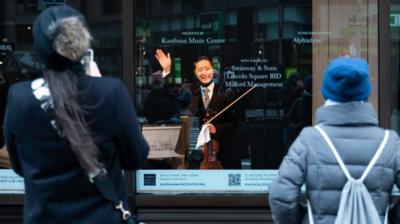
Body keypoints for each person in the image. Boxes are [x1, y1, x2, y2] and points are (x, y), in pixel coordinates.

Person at [3, 5, 149, 223]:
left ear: (40, 49)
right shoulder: (110, 92)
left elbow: (19, 166)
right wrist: (97, 82)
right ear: (82, 44)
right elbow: (135, 158)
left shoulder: (20, 97)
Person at [269, 57, 400, 223]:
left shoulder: (309, 140)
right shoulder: (390, 142)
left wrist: (306, 219)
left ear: (327, 91)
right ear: (366, 92)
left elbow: (281, 197)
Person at [155, 49, 235, 168]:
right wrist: (166, 71)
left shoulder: (224, 92)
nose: (204, 73)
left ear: (213, 70)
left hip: (219, 153)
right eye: (200, 70)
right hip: (194, 151)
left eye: (207, 69)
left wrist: (216, 129)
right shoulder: (190, 92)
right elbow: (168, 95)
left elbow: (233, 122)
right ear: (195, 73)